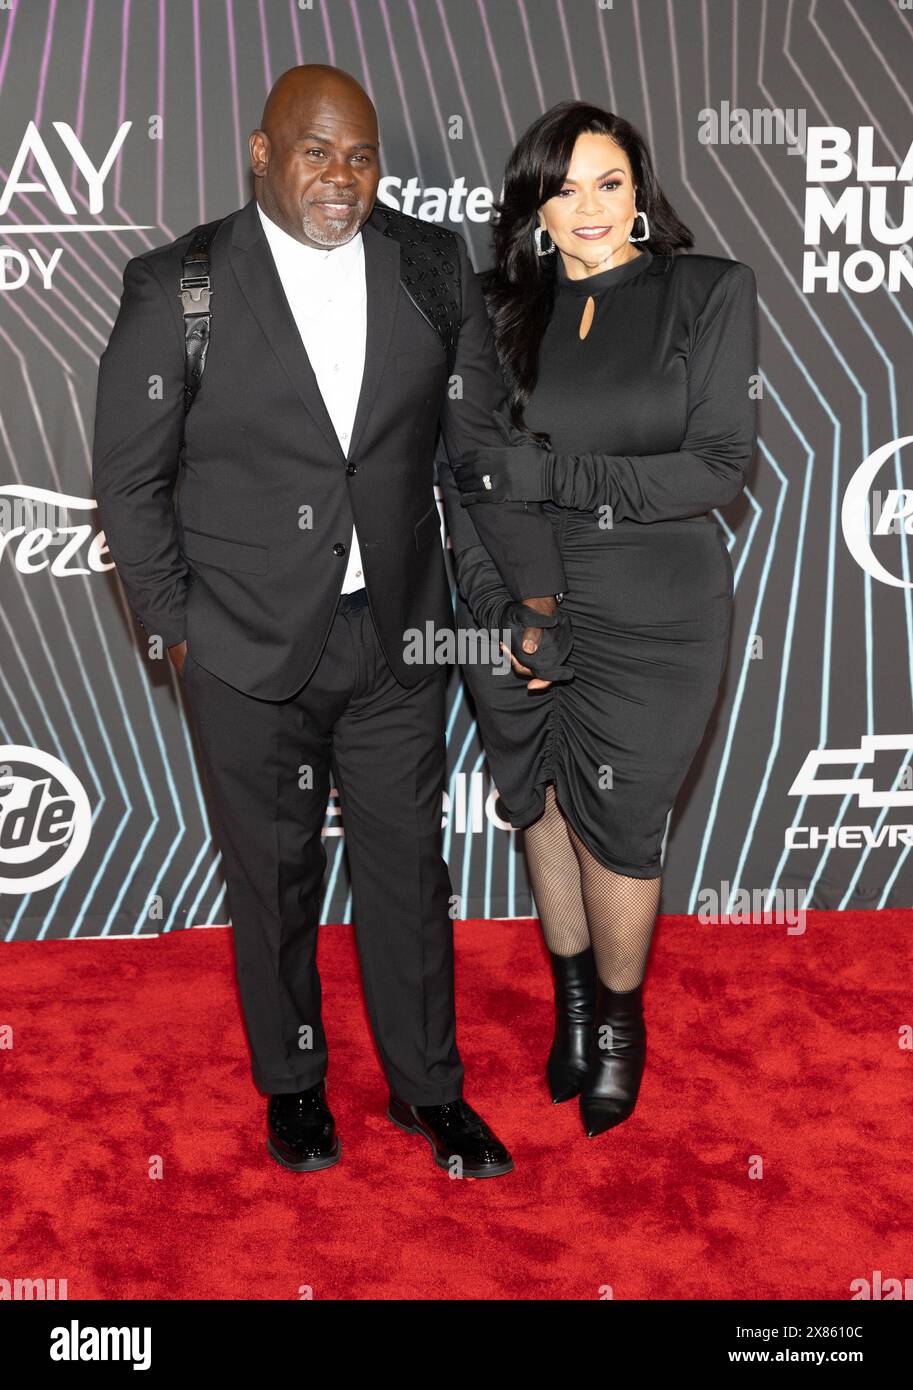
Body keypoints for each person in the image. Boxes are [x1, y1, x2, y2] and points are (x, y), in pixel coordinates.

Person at [91, 64, 570, 1177]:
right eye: (316, 151)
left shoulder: (429, 264)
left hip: (398, 635)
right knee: (275, 877)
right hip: (246, 647)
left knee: (410, 871)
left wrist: (536, 593)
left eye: (360, 155)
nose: (341, 176)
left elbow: (481, 447)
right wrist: (177, 634)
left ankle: (427, 1092)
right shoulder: (182, 287)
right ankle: (295, 1086)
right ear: (261, 154)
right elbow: (128, 481)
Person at [441, 101, 760, 1137]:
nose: (588, 206)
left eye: (609, 181)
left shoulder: (706, 291)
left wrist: (557, 470)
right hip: (518, 594)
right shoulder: (496, 312)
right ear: (533, 203)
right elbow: (466, 472)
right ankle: (573, 1007)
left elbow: (717, 469)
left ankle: (620, 1028)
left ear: (641, 190)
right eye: (562, 185)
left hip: (655, 607)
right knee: (539, 804)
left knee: (620, 827)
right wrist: (504, 608)